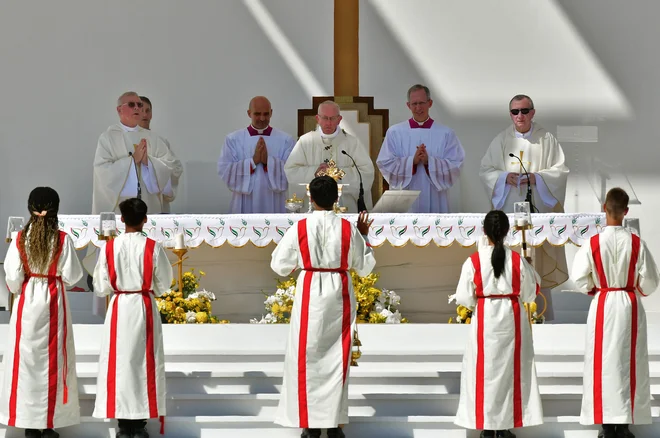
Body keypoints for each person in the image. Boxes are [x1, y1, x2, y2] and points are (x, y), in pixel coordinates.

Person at [271, 176, 376, 438]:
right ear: (336, 199)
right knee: (336, 359)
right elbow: (365, 266)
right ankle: (332, 424)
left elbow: (279, 265)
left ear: (311, 199)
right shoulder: (347, 228)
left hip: (310, 292)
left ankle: (309, 425)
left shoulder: (300, 227)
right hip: (338, 291)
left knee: (307, 357)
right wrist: (364, 235)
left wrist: (301, 263)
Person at [571, 188, 659, 438]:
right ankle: (623, 425)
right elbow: (651, 280)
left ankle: (606, 425)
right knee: (628, 362)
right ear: (626, 211)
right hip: (628, 303)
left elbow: (579, 277)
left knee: (603, 364)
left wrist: (595, 289)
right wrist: (635, 289)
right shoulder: (636, 242)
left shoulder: (593, 242)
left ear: (603, 208)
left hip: (604, 303)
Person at [0, 187, 84, 438]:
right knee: (54, 361)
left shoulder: (19, 238)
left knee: (26, 362)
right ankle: (48, 423)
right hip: (52, 299)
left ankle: (28, 423)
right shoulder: (61, 239)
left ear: (29, 207)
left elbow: (13, 279)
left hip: (27, 301)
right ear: (55, 209)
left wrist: (25, 282)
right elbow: (72, 275)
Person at [479, 94, 570, 320]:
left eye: (524, 110)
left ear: (533, 112)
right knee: (511, 259)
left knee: (536, 262)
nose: (520, 116)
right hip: (510, 212)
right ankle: (510, 314)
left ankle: (541, 313)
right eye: (515, 111)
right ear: (510, 114)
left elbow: (560, 171)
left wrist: (537, 178)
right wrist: (502, 178)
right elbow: (485, 170)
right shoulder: (501, 139)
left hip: (535, 213)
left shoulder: (546, 139)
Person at [454, 210, 543, 438]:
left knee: (484, 372)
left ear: (484, 231)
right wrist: (529, 266)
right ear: (507, 231)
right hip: (511, 316)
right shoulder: (517, 260)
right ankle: (504, 427)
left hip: (485, 316)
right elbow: (530, 294)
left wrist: (480, 303)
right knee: (508, 373)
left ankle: (487, 427)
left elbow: (464, 297)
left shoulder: (473, 260)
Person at [92, 198, 173, 438]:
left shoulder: (109, 247)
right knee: (143, 363)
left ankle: (122, 424)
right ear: (145, 219)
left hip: (119, 306)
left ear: (122, 219)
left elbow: (100, 286)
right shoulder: (152, 247)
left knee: (119, 364)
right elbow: (164, 282)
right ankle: (139, 424)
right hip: (143, 304)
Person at [376, 84, 464, 213]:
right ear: (408, 105)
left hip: (436, 197)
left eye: (422, 103)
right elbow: (385, 162)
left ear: (430, 103)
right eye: (414, 104)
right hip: (406, 198)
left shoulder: (445, 133)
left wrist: (430, 162)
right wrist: (412, 162)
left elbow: (456, 164)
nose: (418, 108)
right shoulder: (395, 132)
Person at [92, 91, 182, 215]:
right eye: (131, 104)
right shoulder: (108, 137)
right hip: (120, 212)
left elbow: (173, 167)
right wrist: (132, 161)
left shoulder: (153, 138)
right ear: (119, 110)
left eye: (139, 105)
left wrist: (149, 163)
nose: (137, 108)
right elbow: (102, 172)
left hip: (149, 210)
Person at [285, 101, 375, 212]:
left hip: (344, 208)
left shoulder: (352, 143)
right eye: (325, 118)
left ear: (339, 119)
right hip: (313, 209)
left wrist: (337, 174)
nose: (328, 123)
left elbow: (366, 173)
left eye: (332, 118)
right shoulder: (305, 142)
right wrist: (314, 172)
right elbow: (291, 171)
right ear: (317, 118)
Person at [218, 96, 295, 213]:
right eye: (257, 114)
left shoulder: (285, 140)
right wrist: (252, 161)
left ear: (271, 113)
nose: (262, 118)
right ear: (249, 113)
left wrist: (267, 162)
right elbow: (225, 171)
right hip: (243, 201)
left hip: (274, 200)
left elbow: (291, 170)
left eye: (266, 114)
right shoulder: (233, 139)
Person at [139, 95, 183, 213]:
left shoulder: (161, 141)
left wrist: (150, 163)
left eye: (147, 111)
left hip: (157, 204)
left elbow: (176, 168)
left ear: (151, 114)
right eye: (141, 111)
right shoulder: (125, 140)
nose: (144, 115)